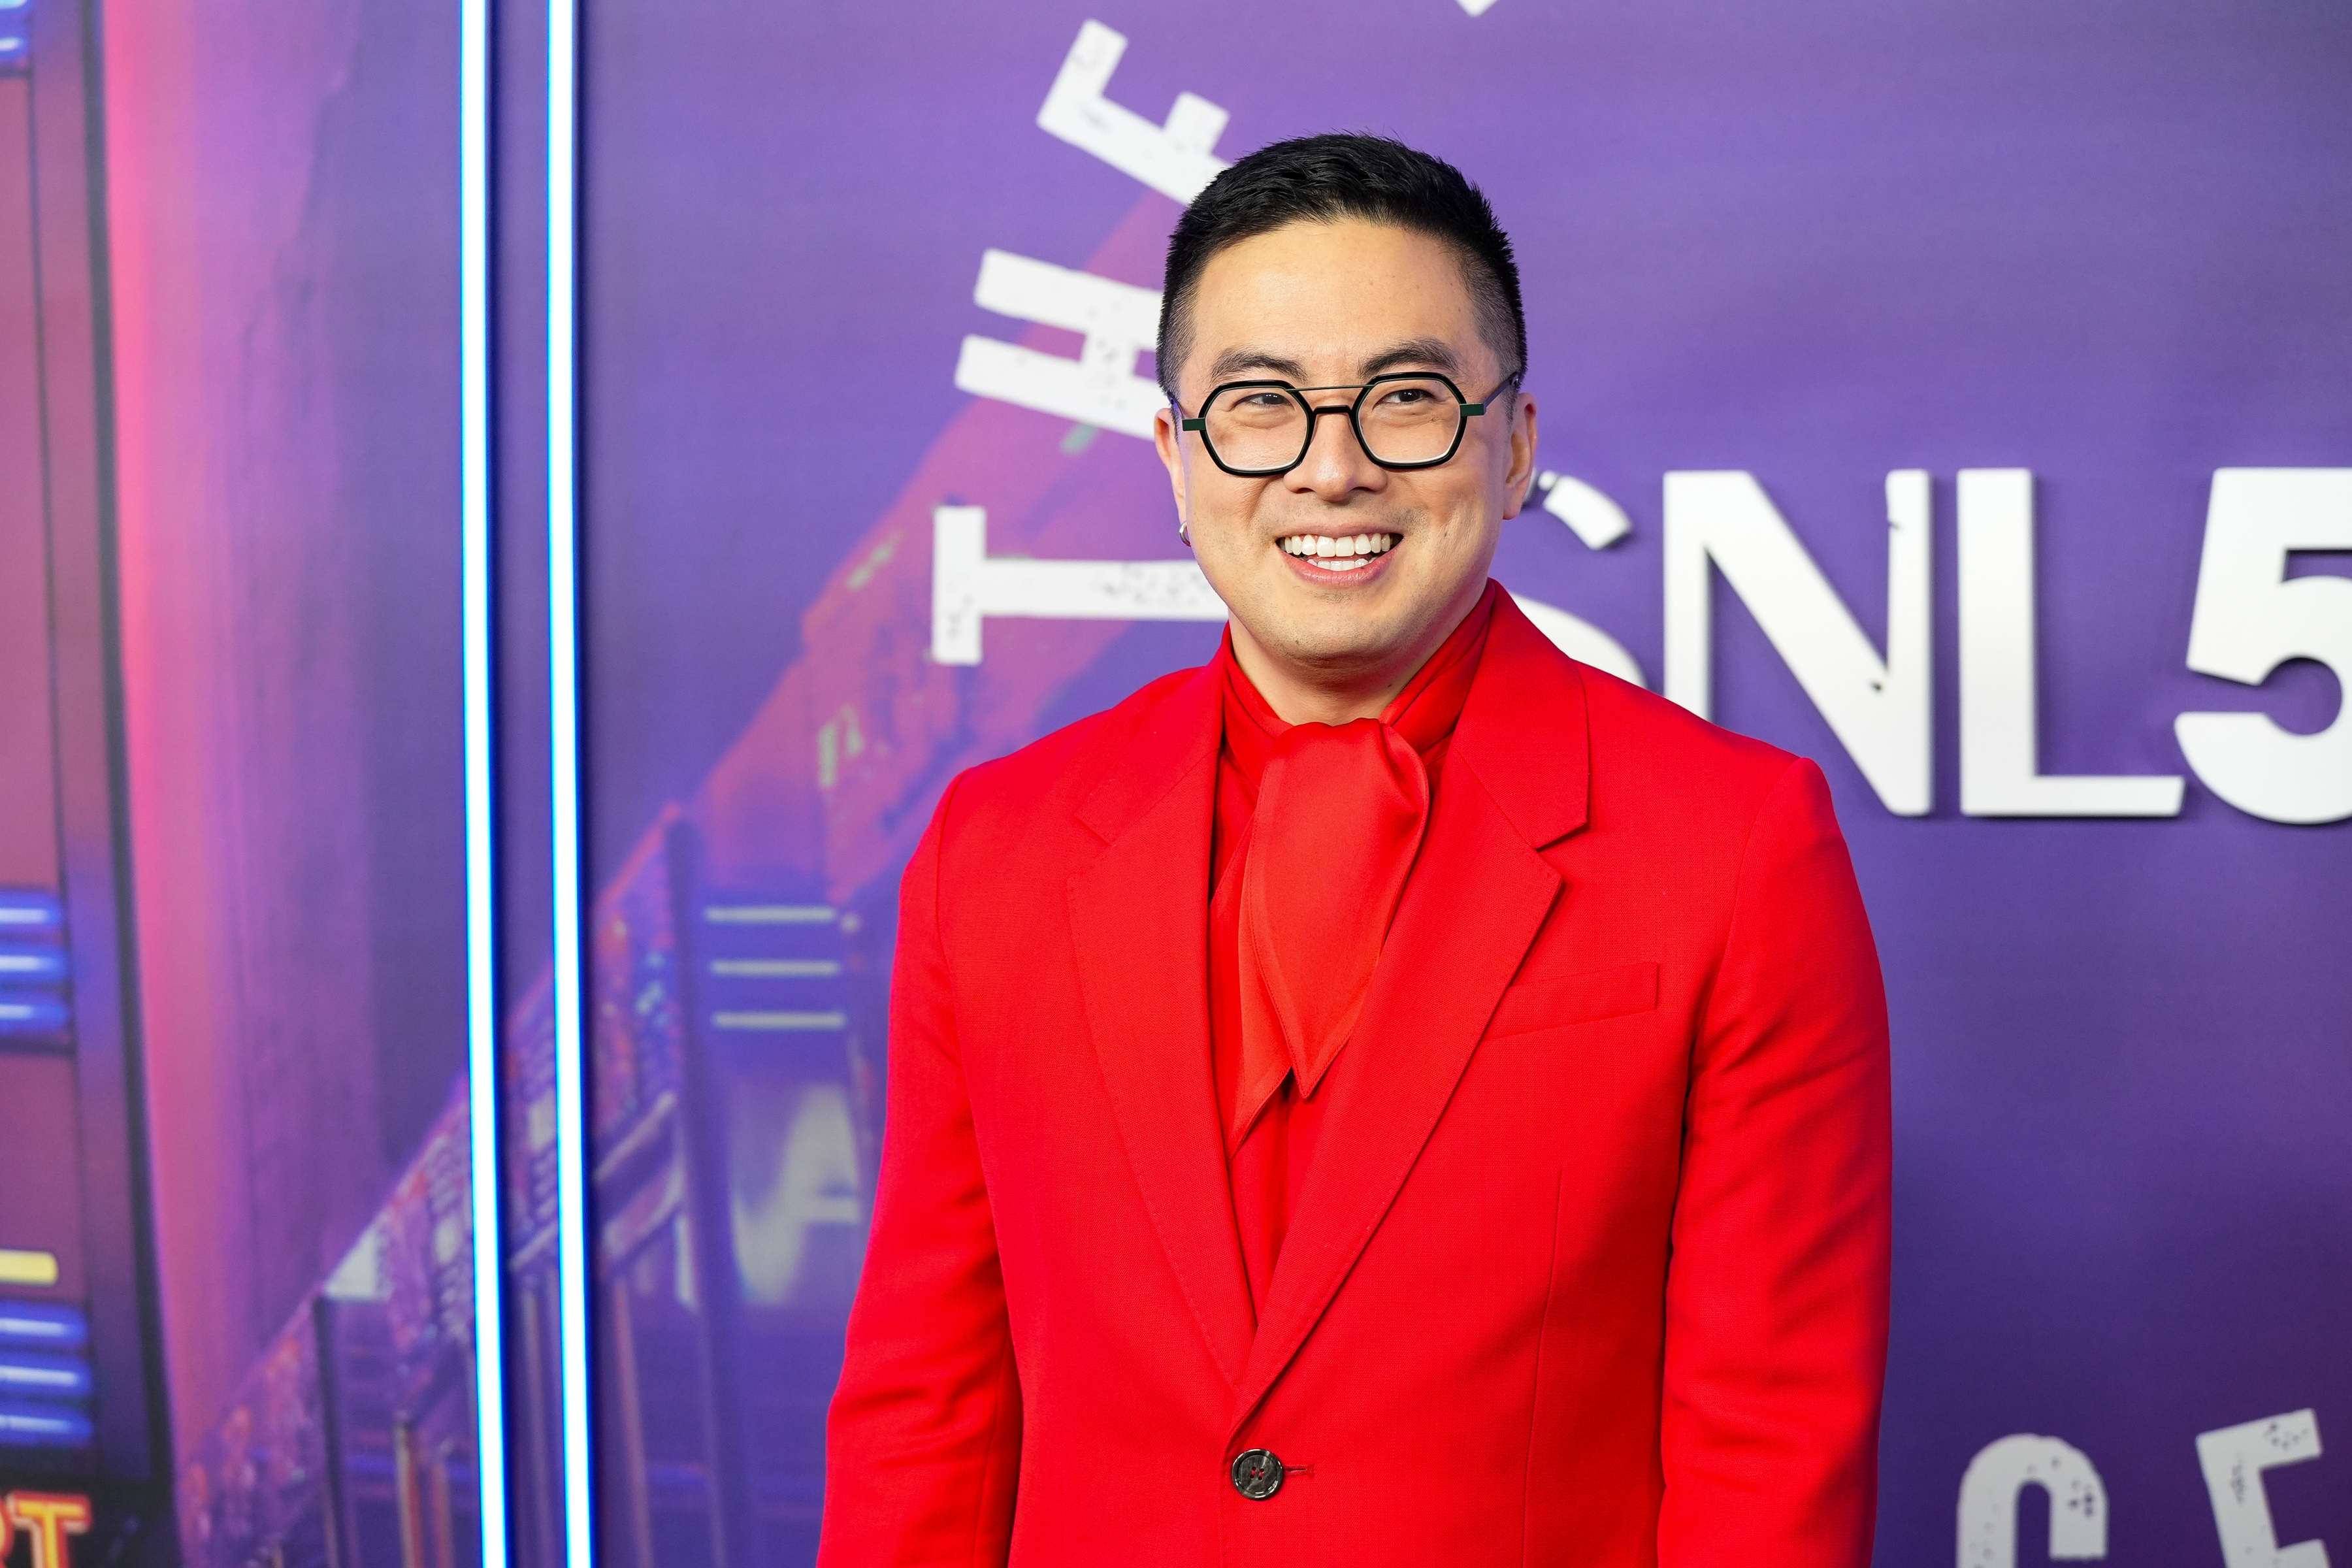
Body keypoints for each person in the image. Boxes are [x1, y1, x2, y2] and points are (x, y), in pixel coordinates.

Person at [820, 134, 1890, 1567]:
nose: (1333, 469)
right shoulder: (993, 854)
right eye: (1261, 406)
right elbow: (925, 1418)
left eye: (1408, 401)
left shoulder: (1736, 844)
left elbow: (1769, 1457)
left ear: (1513, 448)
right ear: (1177, 455)